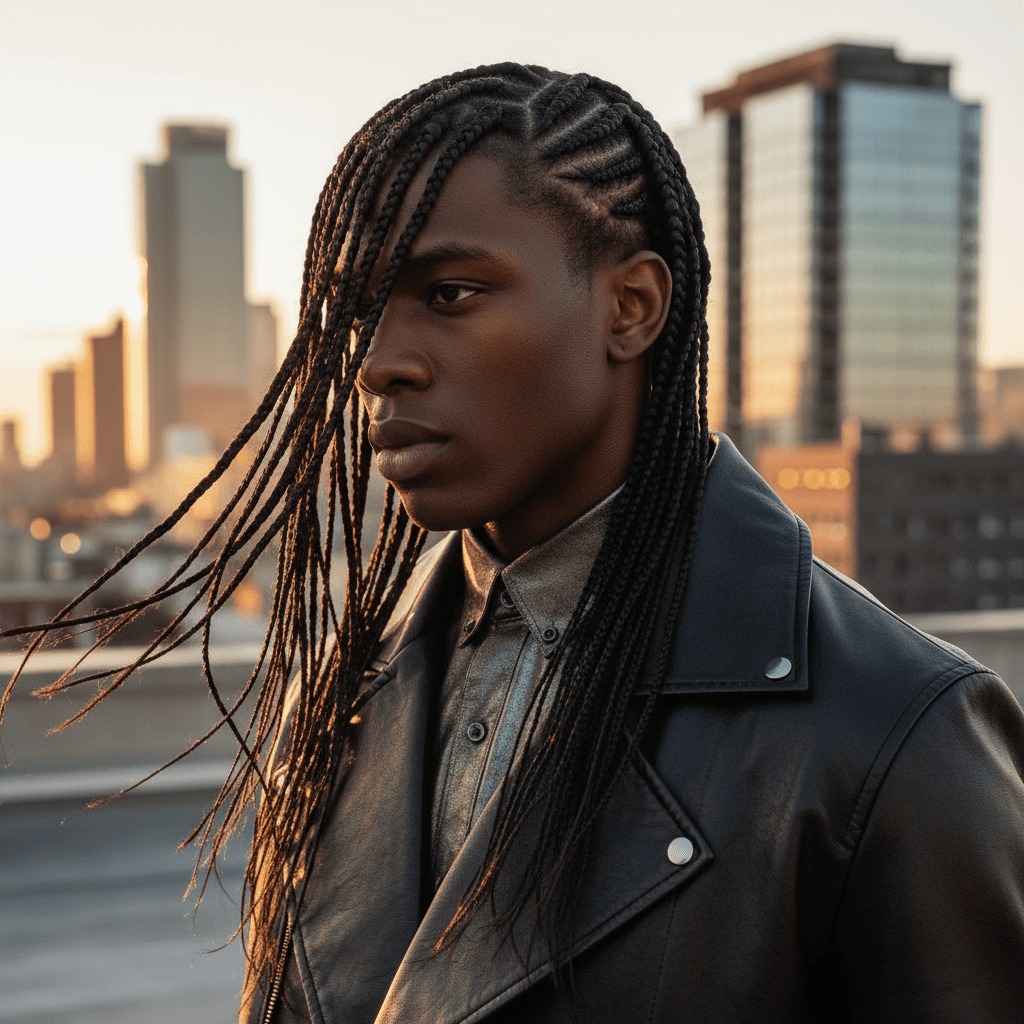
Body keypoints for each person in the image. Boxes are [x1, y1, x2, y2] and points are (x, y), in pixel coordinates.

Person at [3, 63, 1023, 1022]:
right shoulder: (351, 688)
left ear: (630, 306)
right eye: (358, 311)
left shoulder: (891, 733)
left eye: (449, 295)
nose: (377, 363)